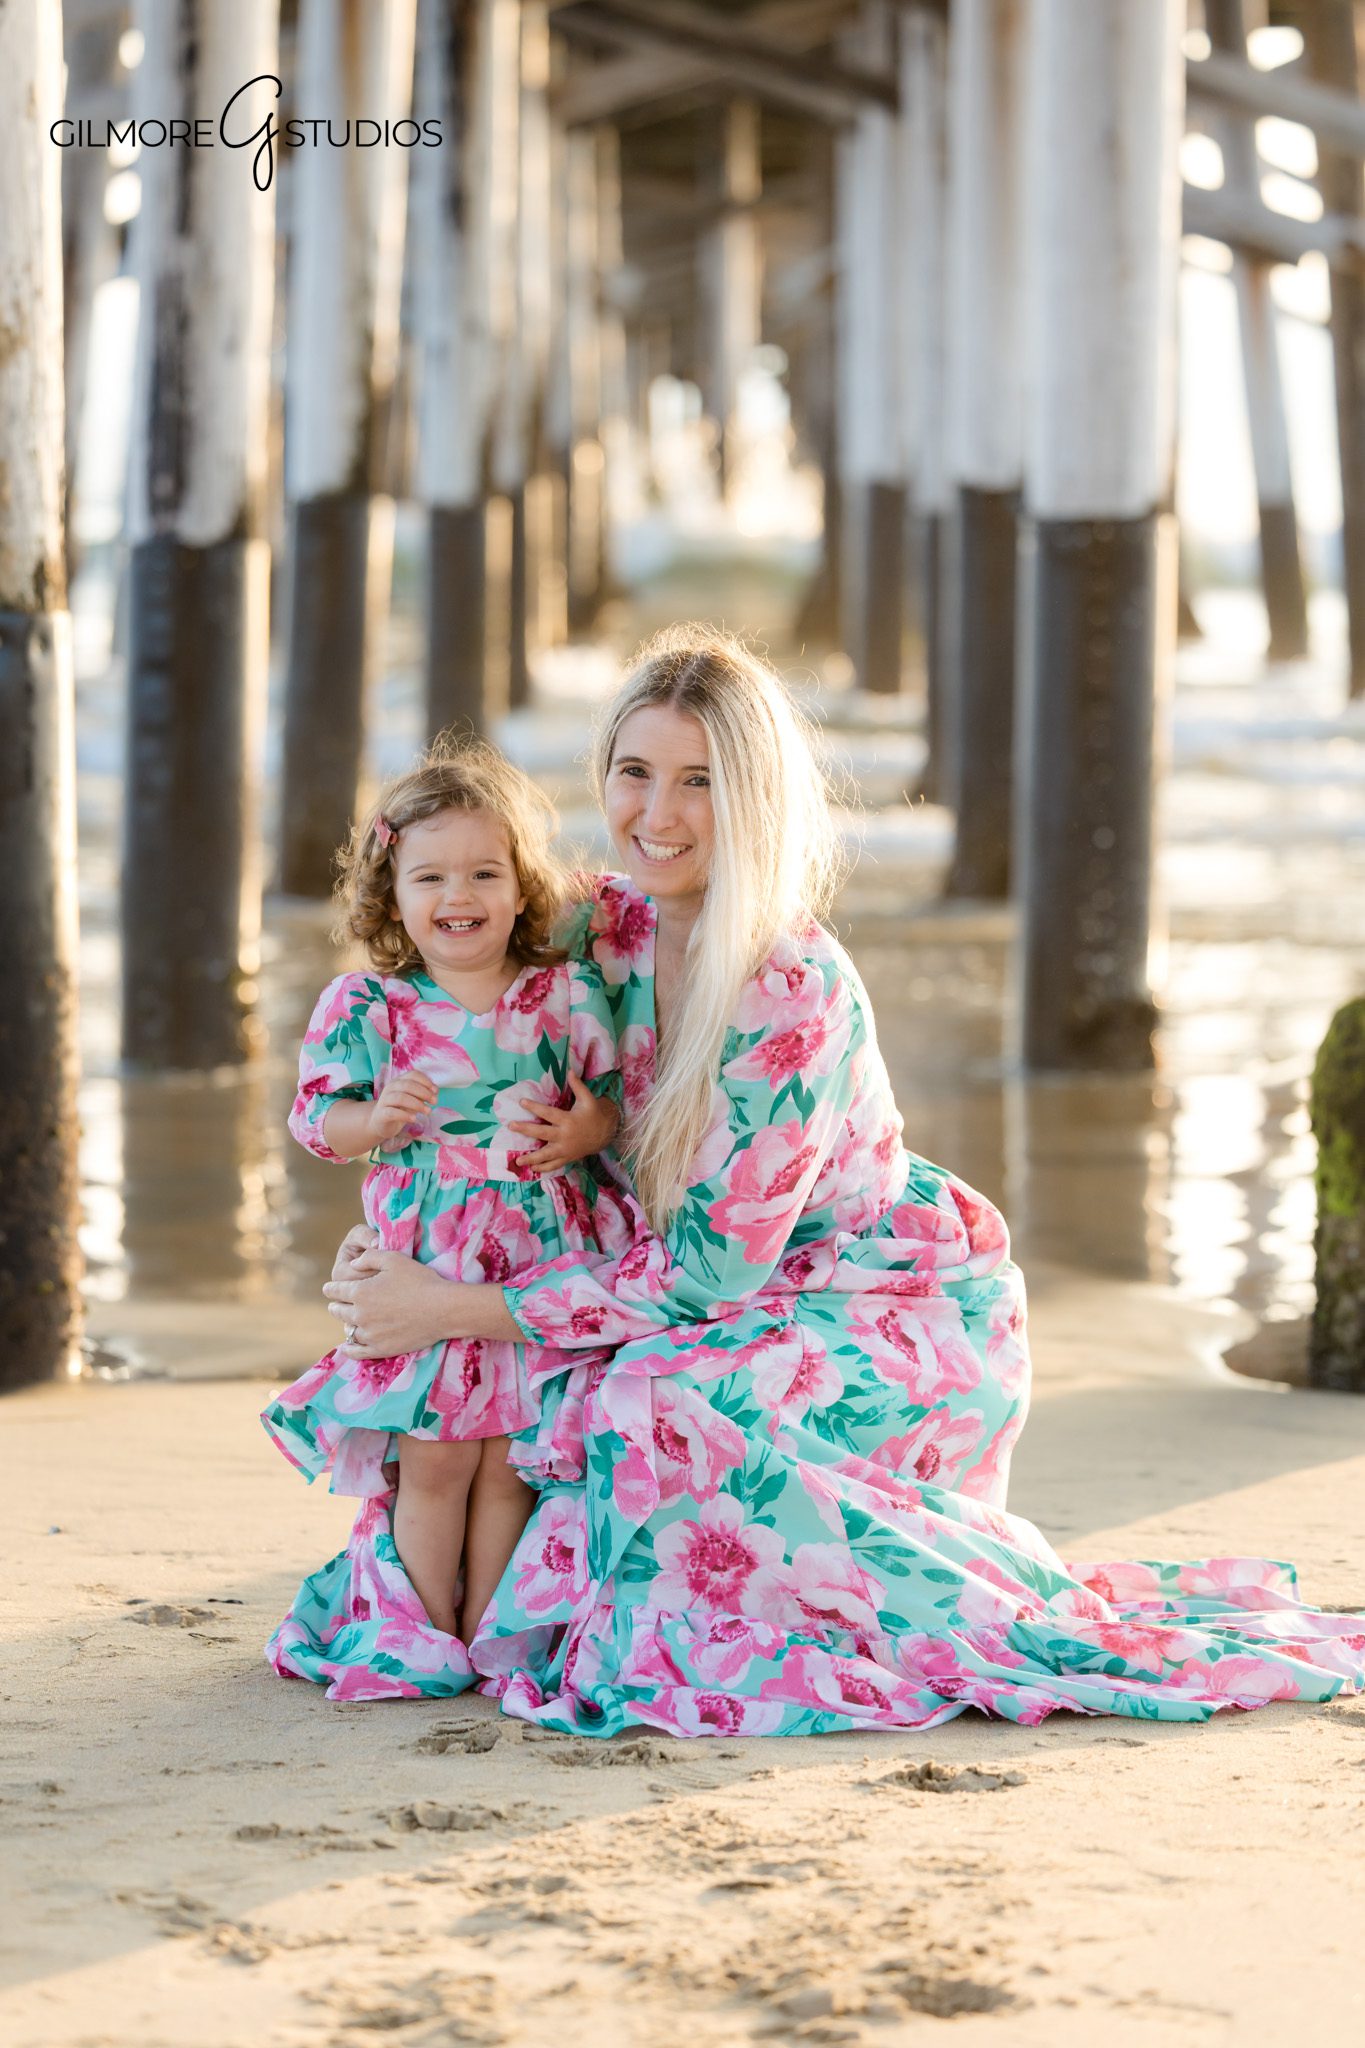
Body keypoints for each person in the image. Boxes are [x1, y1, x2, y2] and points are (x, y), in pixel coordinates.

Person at [321, 628, 1365, 1735]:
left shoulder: (791, 986)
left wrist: (447, 1301)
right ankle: (466, 1612)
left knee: (635, 1402)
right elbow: (440, 1000)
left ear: (756, 794)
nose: (656, 814)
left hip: (878, 1305)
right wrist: (400, 1216)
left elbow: (711, 1273)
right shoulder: (594, 921)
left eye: (699, 781)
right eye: (635, 772)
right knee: (498, 1389)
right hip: (671, 1275)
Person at [263, 740, 622, 1699]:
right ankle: (418, 1635)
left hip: (532, 1261)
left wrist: (586, 1128)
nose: (456, 894)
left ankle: (488, 1633)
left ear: (519, 886)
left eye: (482, 872)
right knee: (433, 1460)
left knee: (510, 1464)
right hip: (427, 1260)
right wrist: (372, 1120)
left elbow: (616, 1100)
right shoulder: (371, 1005)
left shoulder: (562, 995)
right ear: (393, 894)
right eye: (430, 875)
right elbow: (316, 1122)